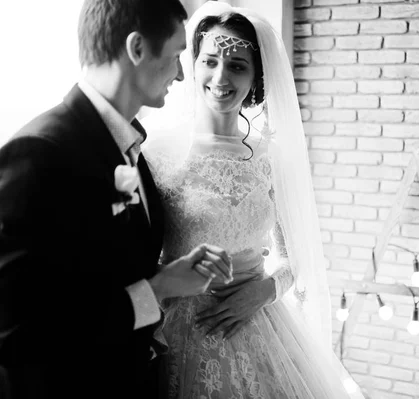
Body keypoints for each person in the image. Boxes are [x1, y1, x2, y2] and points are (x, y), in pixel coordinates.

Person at [0, 1, 234, 399]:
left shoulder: (131, 145)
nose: (181, 74)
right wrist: (156, 288)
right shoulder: (38, 152)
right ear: (137, 48)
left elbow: (103, 269)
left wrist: (169, 272)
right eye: (176, 55)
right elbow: (17, 332)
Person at [143, 2, 365, 398]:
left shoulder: (271, 157)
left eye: (237, 66)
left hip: (259, 320)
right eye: (209, 61)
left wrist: (262, 292)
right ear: (193, 65)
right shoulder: (157, 152)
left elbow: (296, 257)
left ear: (256, 80)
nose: (220, 77)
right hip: (177, 329)